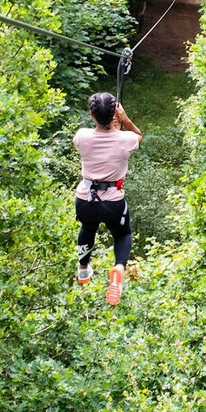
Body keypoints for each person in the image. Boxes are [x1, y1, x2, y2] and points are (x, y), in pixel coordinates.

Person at [72, 91, 142, 306]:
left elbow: (98, 139)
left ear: (92, 115)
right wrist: (125, 120)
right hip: (112, 202)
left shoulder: (82, 136)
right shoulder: (126, 139)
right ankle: (119, 268)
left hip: (85, 198)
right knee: (123, 234)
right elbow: (138, 136)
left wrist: (111, 124)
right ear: (115, 113)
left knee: (87, 227)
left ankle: (83, 269)